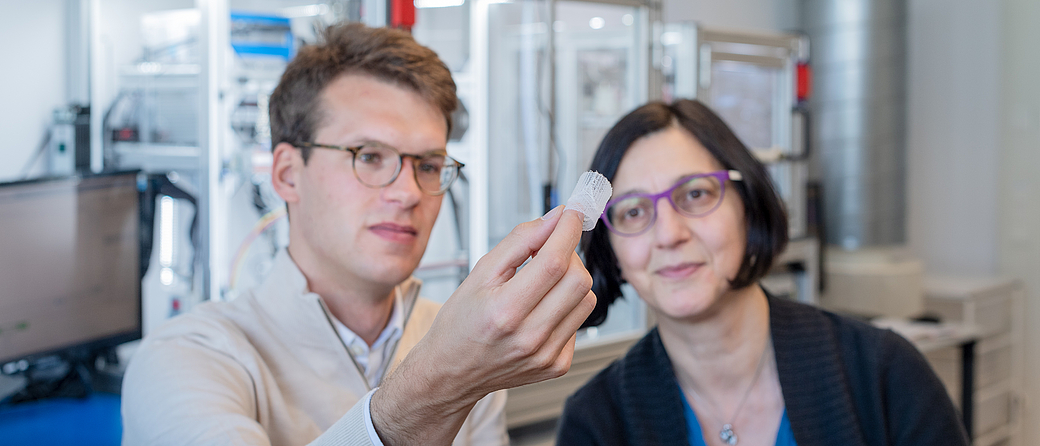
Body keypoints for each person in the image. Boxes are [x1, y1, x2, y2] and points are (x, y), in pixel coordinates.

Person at [122, 22, 596, 446]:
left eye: (428, 165)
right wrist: (438, 386)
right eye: (369, 156)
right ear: (287, 173)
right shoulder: (184, 358)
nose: (409, 192)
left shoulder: (461, 338)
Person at [555, 99, 968, 446]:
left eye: (695, 193)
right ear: (612, 252)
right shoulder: (595, 422)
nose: (669, 235)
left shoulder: (886, 375)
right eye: (633, 211)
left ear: (748, 205)